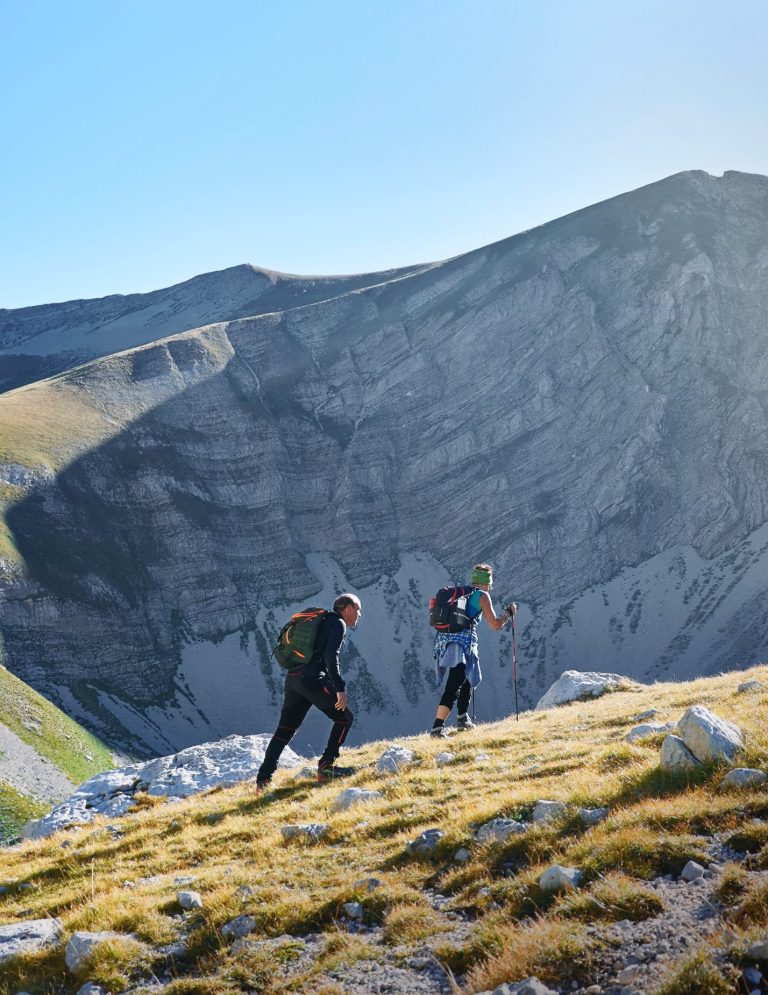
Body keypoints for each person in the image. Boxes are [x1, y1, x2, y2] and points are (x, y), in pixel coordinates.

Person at [256, 593, 361, 791]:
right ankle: (326, 767)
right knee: (344, 718)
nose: (359, 615)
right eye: (358, 610)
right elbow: (332, 657)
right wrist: (340, 688)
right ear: (348, 609)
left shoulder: (321, 620)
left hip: (293, 678)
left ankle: (263, 780)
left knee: (285, 730)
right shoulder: (338, 623)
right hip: (312, 679)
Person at [430, 563, 515, 737]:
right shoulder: (482, 596)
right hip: (463, 644)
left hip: (445, 641)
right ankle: (437, 728)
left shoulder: (462, 593)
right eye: (490, 584)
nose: (491, 587)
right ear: (486, 583)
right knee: (454, 683)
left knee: (466, 677)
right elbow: (495, 625)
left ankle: (462, 718)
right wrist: (508, 614)